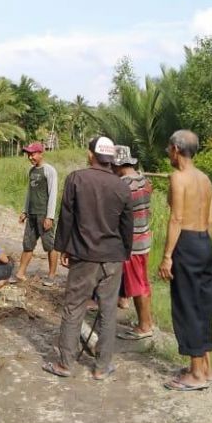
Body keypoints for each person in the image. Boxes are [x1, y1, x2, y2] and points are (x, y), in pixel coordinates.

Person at [42, 137, 133, 381]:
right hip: (113, 257)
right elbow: (127, 226)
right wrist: (125, 253)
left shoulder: (76, 179)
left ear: (90, 154)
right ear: (111, 158)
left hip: (84, 256)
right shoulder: (122, 186)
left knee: (74, 307)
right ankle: (102, 366)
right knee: (108, 311)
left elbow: (67, 217)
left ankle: (65, 363)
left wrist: (62, 248)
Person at [159, 130, 212, 391]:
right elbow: (211, 219)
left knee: (187, 305)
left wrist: (168, 256)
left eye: (169, 150)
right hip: (205, 241)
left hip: (187, 241)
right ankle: (206, 367)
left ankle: (196, 374)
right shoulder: (205, 178)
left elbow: (176, 219)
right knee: (203, 304)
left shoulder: (178, 177)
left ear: (175, 149)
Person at [112, 145, 155, 340]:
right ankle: (146, 321)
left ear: (118, 164)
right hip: (144, 238)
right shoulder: (144, 181)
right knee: (143, 282)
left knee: (138, 285)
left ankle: (144, 326)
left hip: (131, 242)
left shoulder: (123, 185)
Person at [11, 142, 60, 287]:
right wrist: (25, 211)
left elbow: (53, 194)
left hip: (43, 214)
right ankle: (20, 273)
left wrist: (49, 216)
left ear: (40, 154)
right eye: (28, 154)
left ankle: (51, 275)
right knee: (28, 244)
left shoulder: (49, 171)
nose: (30, 157)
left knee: (50, 245)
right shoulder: (31, 171)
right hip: (31, 215)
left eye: (32, 154)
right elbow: (29, 193)